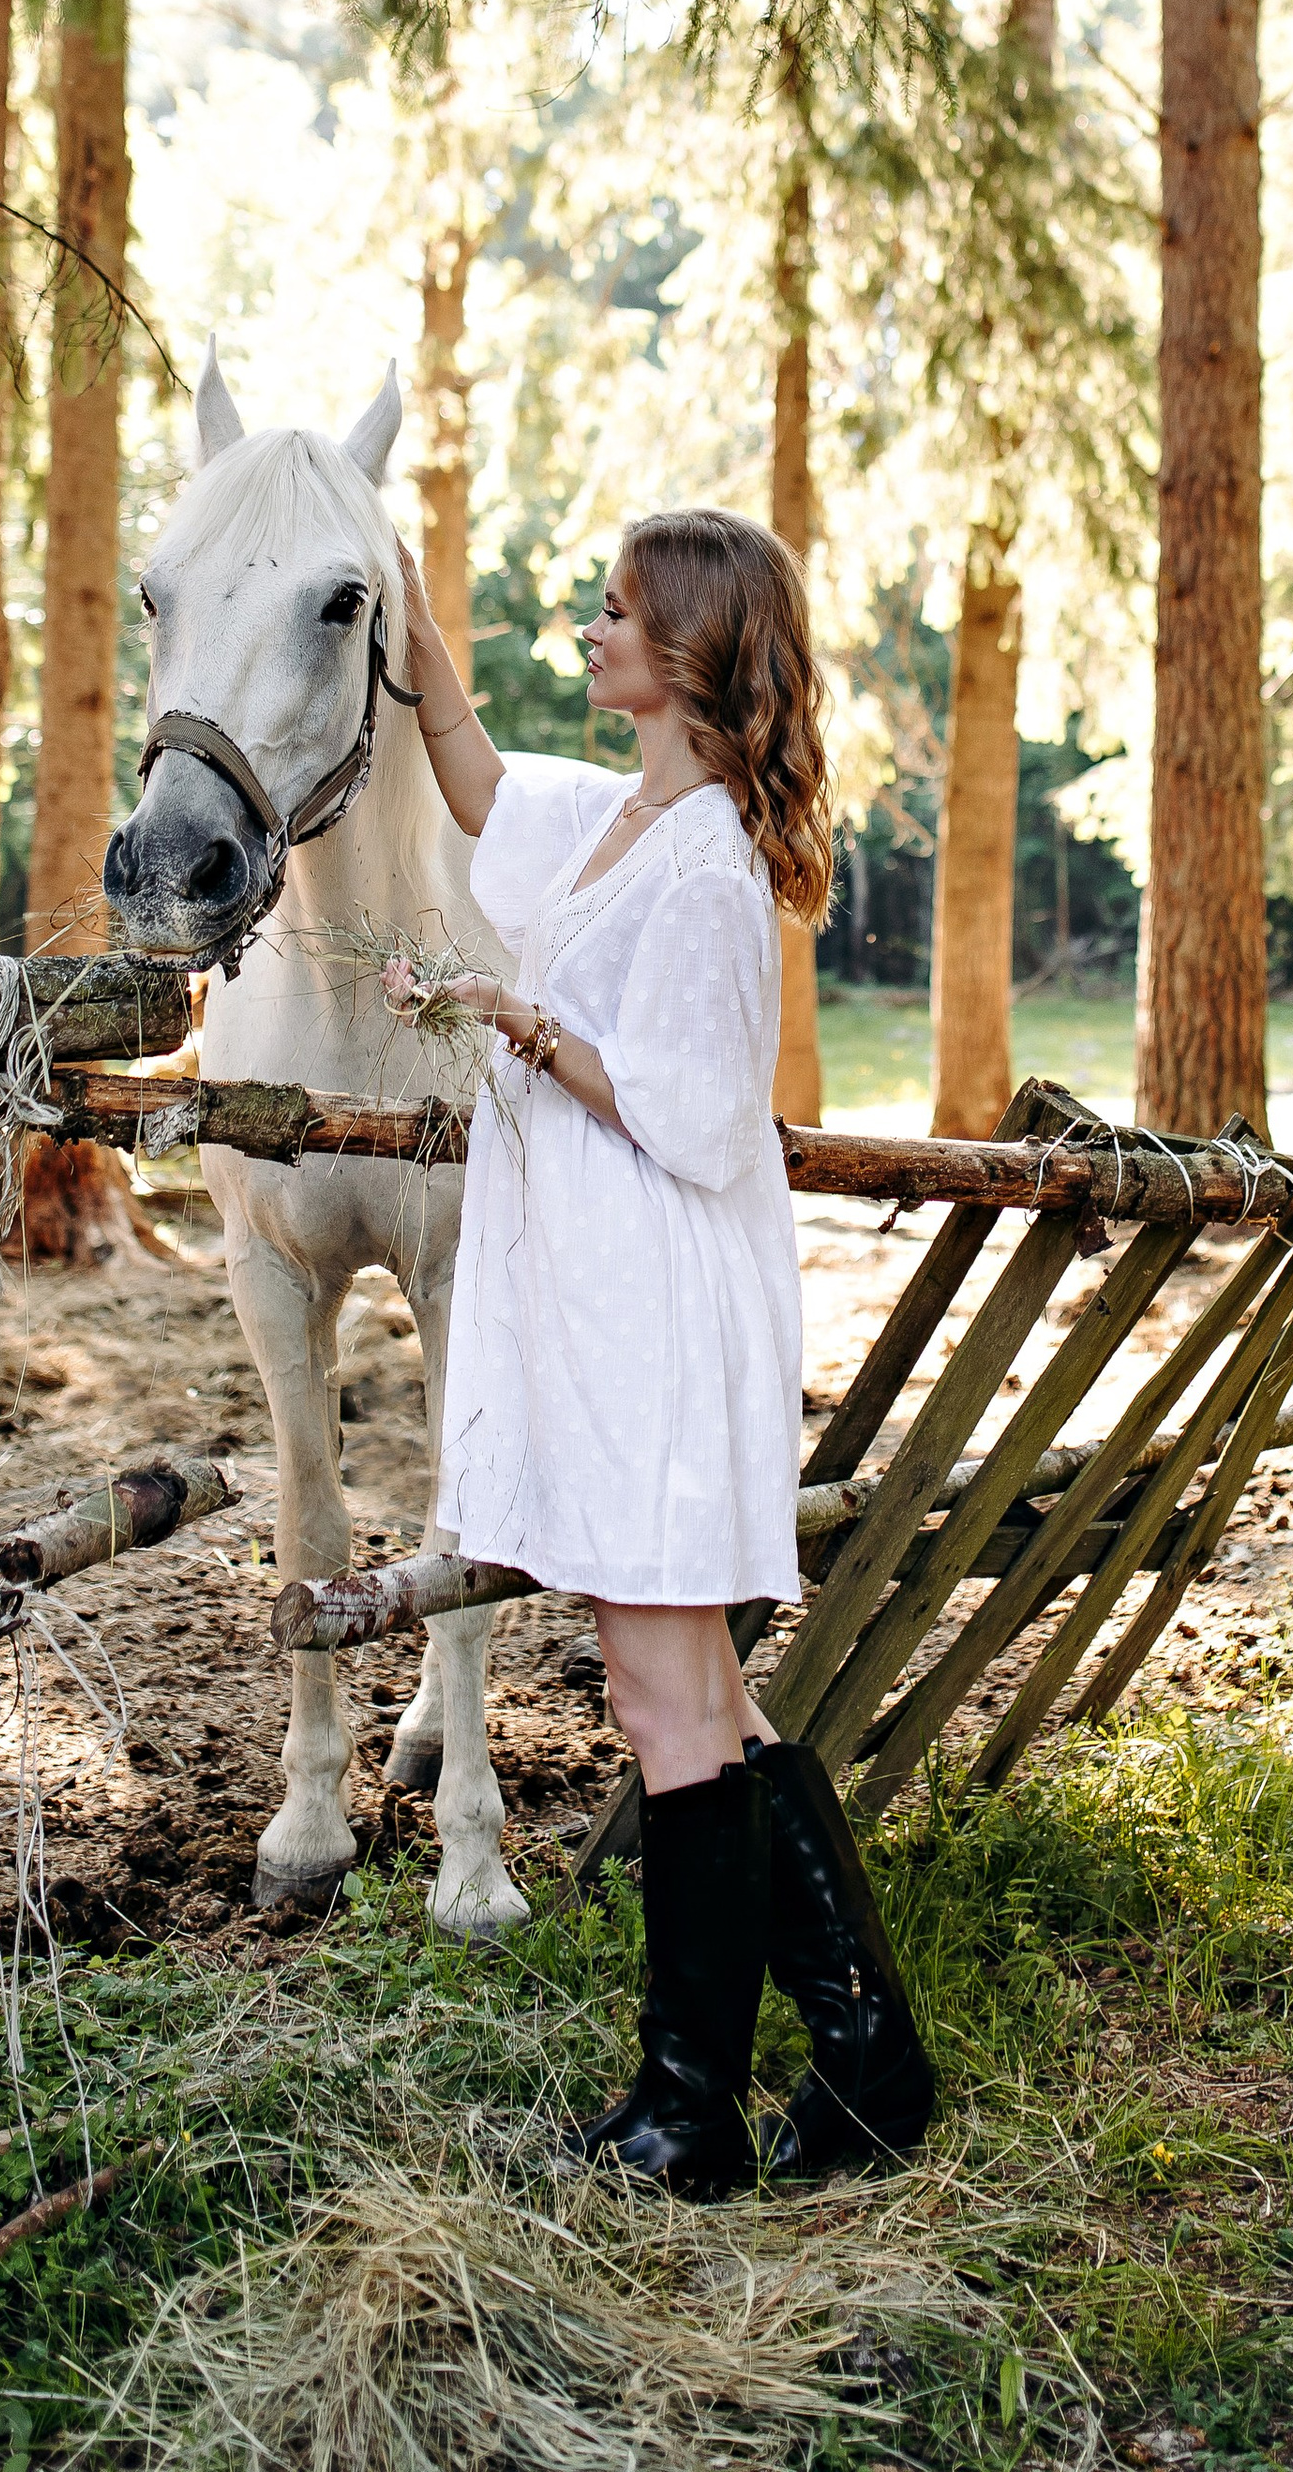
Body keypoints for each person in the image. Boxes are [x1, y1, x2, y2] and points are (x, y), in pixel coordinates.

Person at [386, 505, 935, 2198]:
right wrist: (415, 652)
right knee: (693, 1690)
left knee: (663, 1693)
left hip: (664, 1308)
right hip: (600, 1304)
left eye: (620, 612)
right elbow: (482, 786)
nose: (596, 629)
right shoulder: (624, 815)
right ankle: (863, 2064)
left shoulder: (705, 873)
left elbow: (698, 1117)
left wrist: (518, 1023)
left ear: (692, 653)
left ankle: (690, 2111)